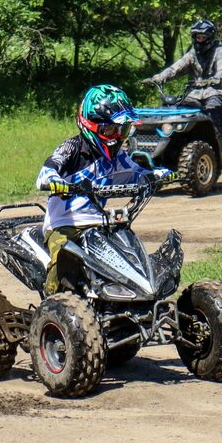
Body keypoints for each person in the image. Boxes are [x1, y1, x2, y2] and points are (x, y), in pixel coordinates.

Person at [35, 84, 145, 294]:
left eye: (123, 129)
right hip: (64, 225)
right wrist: (53, 180)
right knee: (62, 264)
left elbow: (137, 172)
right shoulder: (72, 148)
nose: (118, 136)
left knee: (129, 255)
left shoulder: (117, 155)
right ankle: (52, 305)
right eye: (111, 129)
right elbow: (46, 171)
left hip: (100, 223)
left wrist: (157, 175)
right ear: (91, 125)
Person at [149, 18, 222, 154]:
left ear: (210, 37)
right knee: (174, 106)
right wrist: (159, 78)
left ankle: (219, 149)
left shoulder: (219, 51)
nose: (200, 40)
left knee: (212, 110)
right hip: (195, 94)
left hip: (217, 92)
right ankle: (174, 143)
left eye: (203, 37)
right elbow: (175, 68)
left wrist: (214, 78)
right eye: (197, 37)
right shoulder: (192, 54)